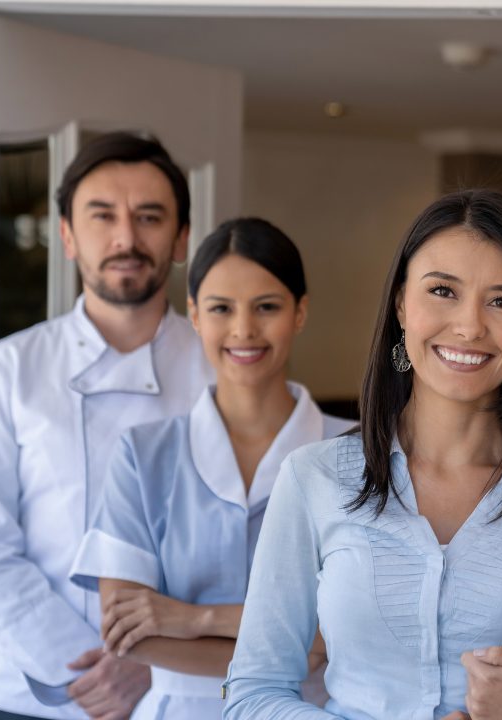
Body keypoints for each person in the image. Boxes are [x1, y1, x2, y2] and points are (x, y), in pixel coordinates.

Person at [224, 188, 502, 720]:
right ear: (402, 303)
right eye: (443, 291)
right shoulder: (314, 478)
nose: (470, 326)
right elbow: (253, 694)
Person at [0, 132, 211, 720]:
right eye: (102, 216)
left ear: (182, 236)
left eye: (149, 217)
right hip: (42, 693)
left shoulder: (223, 370)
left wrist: (154, 660)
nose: (126, 238)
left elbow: (250, 551)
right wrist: (89, 664)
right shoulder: (8, 369)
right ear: (66, 235)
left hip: (183, 695)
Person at [66, 218, 353, 719]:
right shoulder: (143, 455)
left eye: (267, 306)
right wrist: (296, 642)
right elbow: (128, 636)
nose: (243, 330)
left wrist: (189, 618)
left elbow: (347, 631)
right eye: (221, 308)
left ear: (300, 313)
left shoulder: (356, 452)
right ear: (195, 315)